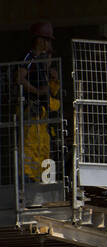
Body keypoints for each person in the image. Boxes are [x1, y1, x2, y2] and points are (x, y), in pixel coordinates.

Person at [15, 22, 59, 184]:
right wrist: (38, 91)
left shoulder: (43, 62)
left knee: (43, 146)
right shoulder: (30, 57)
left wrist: (52, 78)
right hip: (31, 109)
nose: (49, 45)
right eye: (48, 40)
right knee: (30, 146)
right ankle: (27, 179)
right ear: (41, 40)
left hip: (42, 114)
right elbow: (19, 78)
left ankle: (46, 180)